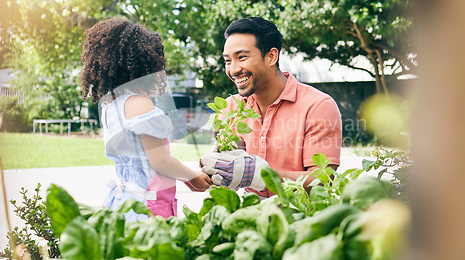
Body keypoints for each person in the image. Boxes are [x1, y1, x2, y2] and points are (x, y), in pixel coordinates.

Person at [80, 18, 212, 221]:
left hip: (122, 202)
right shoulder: (139, 104)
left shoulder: (110, 105)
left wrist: (185, 176)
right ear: (145, 65)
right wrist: (193, 177)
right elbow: (160, 162)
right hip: (146, 207)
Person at [201, 17, 342, 198]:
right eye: (228, 61)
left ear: (271, 56)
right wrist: (218, 171)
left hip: (301, 219)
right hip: (248, 215)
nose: (233, 69)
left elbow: (323, 180)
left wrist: (261, 175)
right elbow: (230, 181)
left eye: (241, 57)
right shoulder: (230, 108)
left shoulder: (318, 107)